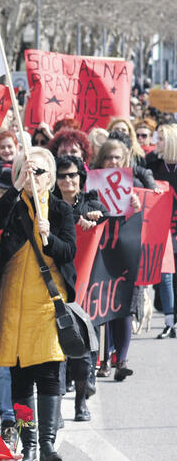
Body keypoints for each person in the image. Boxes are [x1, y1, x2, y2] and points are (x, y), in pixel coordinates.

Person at [0, 147, 76, 461]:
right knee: (20, 380)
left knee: (48, 375)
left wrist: (49, 237)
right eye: (26, 171)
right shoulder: (15, 207)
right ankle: (28, 445)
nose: (33, 177)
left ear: (51, 176)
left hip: (46, 304)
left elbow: (68, 251)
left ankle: (46, 444)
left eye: (39, 171)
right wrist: (16, 186)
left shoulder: (59, 210)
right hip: (12, 306)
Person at [89, 136, 158, 380]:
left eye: (117, 157)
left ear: (125, 159)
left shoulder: (134, 184)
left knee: (124, 307)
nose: (113, 161)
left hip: (125, 252)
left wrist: (137, 207)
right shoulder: (92, 184)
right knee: (101, 308)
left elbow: (143, 222)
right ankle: (104, 360)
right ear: (102, 159)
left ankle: (122, 360)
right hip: (100, 253)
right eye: (109, 157)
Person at [52, 154, 106, 421]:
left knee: (81, 347)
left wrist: (95, 218)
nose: (67, 180)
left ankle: (80, 403)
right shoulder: (48, 206)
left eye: (72, 175)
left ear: (81, 178)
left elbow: (106, 218)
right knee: (56, 349)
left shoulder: (90, 202)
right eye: (61, 176)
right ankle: (55, 409)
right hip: (56, 284)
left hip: (84, 287)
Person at [145, 123, 177, 339]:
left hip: (175, 227)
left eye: (162, 138)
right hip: (159, 227)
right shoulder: (152, 163)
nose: (158, 142)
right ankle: (169, 321)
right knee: (165, 276)